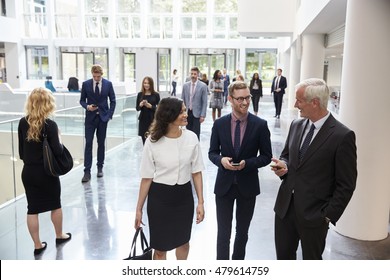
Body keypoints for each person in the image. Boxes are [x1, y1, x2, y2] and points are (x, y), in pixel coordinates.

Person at [271, 78, 357, 260]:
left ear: (315, 102)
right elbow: (287, 155)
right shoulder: (296, 125)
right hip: (284, 209)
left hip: (314, 216)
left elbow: (346, 184)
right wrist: (284, 166)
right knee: (283, 259)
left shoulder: (342, 136)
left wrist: (326, 216)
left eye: (299, 100)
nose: (295, 105)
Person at [134, 97, 205, 260]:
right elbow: (146, 178)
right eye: (182, 112)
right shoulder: (152, 141)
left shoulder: (192, 138)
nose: (186, 114)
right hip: (159, 199)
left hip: (184, 198)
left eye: (185, 110)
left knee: (184, 243)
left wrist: (201, 202)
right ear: (169, 115)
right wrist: (138, 209)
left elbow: (196, 171)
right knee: (159, 250)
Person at [208, 81, 272, 260]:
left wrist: (248, 163)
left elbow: (266, 156)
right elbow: (212, 152)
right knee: (223, 234)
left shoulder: (260, 125)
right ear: (230, 99)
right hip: (224, 187)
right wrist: (221, 160)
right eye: (240, 99)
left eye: (247, 97)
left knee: (242, 233)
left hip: (247, 186)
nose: (245, 102)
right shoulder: (220, 124)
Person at [18, 87, 72, 256]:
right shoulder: (50, 125)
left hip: (28, 172)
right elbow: (57, 151)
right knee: (55, 204)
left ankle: (37, 245)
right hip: (47, 174)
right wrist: (59, 137)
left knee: (32, 209)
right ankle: (59, 235)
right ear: (47, 104)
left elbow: (21, 152)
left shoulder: (22, 122)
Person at [80, 64, 116, 183]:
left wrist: (109, 115)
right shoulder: (85, 84)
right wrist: (87, 106)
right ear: (92, 74)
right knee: (88, 143)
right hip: (90, 119)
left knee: (101, 143)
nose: (96, 78)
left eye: (98, 76)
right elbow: (82, 100)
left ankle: (100, 167)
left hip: (103, 118)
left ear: (102, 75)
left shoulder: (108, 84)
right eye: (94, 76)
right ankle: (87, 171)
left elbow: (113, 100)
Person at [181, 66, 208, 140]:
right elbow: (182, 100)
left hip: (197, 114)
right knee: (187, 133)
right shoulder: (185, 85)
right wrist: (181, 112)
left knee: (196, 134)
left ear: (198, 75)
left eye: (195, 74)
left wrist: (203, 115)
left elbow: (204, 101)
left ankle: (196, 149)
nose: (193, 75)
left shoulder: (203, 86)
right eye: (192, 74)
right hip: (187, 112)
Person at [136, 76, 160, 145]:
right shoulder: (140, 94)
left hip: (152, 119)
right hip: (143, 119)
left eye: (148, 83)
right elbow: (137, 109)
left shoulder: (156, 95)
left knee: (153, 138)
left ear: (151, 84)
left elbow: (159, 109)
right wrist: (140, 105)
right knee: (144, 140)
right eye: (145, 83)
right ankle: (146, 155)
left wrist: (151, 106)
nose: (146, 85)